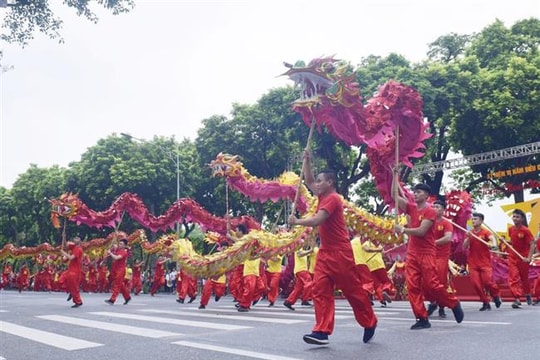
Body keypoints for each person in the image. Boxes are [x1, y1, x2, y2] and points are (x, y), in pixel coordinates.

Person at [288, 150, 377, 345]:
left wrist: (297, 221)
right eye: (318, 181)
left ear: (330, 182)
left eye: (321, 181)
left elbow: (319, 219)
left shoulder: (333, 198)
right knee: (320, 290)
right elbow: (309, 180)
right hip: (325, 253)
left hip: (341, 253)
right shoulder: (322, 195)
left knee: (352, 291)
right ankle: (322, 331)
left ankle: (369, 321)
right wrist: (307, 161)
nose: (316, 184)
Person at [391, 175, 464, 330]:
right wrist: (395, 176)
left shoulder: (430, 211)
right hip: (412, 253)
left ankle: (453, 303)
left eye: (418, 192)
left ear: (425, 195)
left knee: (432, 284)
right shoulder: (411, 208)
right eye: (414, 192)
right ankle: (422, 318)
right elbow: (394, 196)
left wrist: (403, 229)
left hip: (427, 252)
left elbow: (422, 231)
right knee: (412, 287)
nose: (415, 194)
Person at [463, 212, 502, 311]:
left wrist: (493, 244)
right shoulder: (470, 232)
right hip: (473, 262)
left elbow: (492, 238)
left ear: (481, 221)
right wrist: (468, 237)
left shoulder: (485, 232)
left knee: (487, 282)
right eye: (472, 219)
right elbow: (464, 246)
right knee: (476, 284)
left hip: (484, 262)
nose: (473, 221)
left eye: (475, 219)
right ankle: (485, 302)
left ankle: (496, 295)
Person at [426, 200, 454, 318]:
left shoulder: (447, 223)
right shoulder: (427, 223)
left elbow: (448, 238)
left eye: (437, 207)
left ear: (443, 210)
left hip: (441, 257)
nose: (434, 208)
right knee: (426, 281)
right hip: (428, 255)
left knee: (440, 282)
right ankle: (433, 303)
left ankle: (442, 306)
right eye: (433, 206)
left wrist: (433, 243)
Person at [507, 209, 536, 308]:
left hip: (523, 257)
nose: (515, 218)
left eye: (517, 217)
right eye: (514, 216)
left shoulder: (525, 230)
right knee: (513, 277)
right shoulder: (511, 229)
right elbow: (512, 242)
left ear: (522, 219)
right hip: (512, 256)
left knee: (524, 278)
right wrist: (505, 241)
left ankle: (528, 294)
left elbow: (532, 244)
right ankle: (517, 299)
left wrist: (528, 257)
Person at [283, 246, 314, 310]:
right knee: (309, 283)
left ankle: (289, 301)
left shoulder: (302, 249)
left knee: (298, 289)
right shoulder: (298, 248)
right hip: (301, 270)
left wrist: (310, 250)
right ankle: (304, 299)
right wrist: (310, 251)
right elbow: (300, 254)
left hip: (300, 270)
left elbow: (307, 253)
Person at [105, 239, 132, 305]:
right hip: (115, 269)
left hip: (120, 270)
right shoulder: (118, 250)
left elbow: (116, 258)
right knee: (121, 284)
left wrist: (110, 253)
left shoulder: (124, 252)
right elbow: (114, 245)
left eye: (121, 244)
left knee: (116, 285)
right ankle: (127, 297)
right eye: (119, 243)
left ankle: (112, 300)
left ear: (125, 245)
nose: (119, 245)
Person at [60, 236, 83, 308]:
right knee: (62, 279)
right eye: (74, 238)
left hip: (75, 271)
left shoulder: (78, 249)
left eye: (76, 238)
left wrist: (64, 253)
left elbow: (71, 258)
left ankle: (78, 301)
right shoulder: (74, 247)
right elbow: (66, 245)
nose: (74, 239)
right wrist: (64, 237)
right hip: (71, 269)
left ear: (79, 241)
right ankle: (70, 291)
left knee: (74, 287)